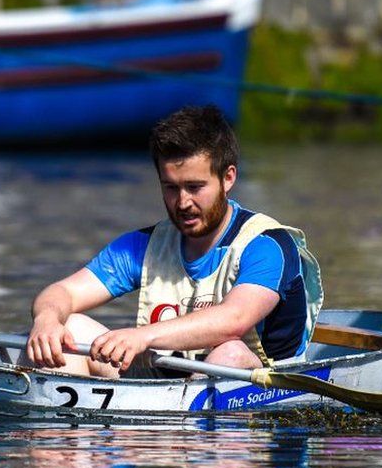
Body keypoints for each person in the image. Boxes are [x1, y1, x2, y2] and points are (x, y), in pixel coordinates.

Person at [25, 105, 323, 378]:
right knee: (70, 326)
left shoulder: (267, 245)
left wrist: (143, 336)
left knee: (229, 353)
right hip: (168, 386)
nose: (183, 203)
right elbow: (62, 292)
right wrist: (47, 320)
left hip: (259, 385)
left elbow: (234, 320)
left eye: (195, 187)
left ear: (228, 178)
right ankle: (63, 434)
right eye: (171, 188)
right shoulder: (143, 245)